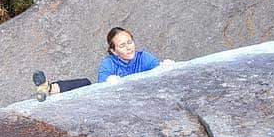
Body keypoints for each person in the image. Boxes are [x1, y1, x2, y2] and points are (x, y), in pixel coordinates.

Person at [33, 27, 171, 101]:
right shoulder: (108, 63)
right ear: (114, 51)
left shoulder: (143, 57)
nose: (129, 48)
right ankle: (48, 88)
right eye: (122, 45)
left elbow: (158, 71)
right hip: (113, 101)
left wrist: (166, 67)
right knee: (85, 84)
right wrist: (109, 81)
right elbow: (102, 85)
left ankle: (47, 88)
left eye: (130, 42)